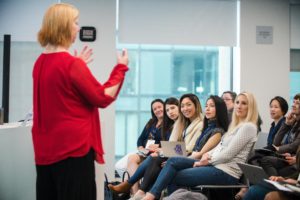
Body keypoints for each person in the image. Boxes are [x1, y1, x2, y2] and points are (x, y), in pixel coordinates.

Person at [32, 3, 129, 200]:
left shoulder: (40, 62)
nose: (77, 27)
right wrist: (121, 68)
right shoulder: (70, 64)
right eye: (75, 23)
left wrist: (78, 68)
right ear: (63, 26)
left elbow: (62, 92)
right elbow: (103, 97)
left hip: (46, 150)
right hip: (72, 150)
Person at [140, 91, 259, 200]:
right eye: (237, 102)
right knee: (169, 162)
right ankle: (149, 194)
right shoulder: (234, 127)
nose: (238, 106)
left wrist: (206, 160)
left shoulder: (247, 127)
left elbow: (227, 154)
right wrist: (207, 155)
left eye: (244, 103)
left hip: (225, 171)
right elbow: (219, 148)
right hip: (214, 165)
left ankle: (148, 195)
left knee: (170, 172)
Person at [109, 93, 203, 197]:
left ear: (196, 105)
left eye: (188, 105)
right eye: (183, 106)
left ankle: (136, 190)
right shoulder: (180, 123)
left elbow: (187, 149)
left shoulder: (196, 124)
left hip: (187, 157)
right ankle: (137, 191)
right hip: (174, 155)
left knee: (154, 158)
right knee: (146, 158)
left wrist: (161, 151)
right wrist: (148, 149)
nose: (184, 108)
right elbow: (174, 146)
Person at [235, 96, 289, 200]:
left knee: (253, 156)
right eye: (271, 106)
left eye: (276, 107)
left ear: (283, 110)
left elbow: (277, 145)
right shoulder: (273, 124)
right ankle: (246, 187)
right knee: (251, 157)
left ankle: (246, 188)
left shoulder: (284, 124)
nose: (272, 109)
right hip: (270, 152)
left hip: (277, 154)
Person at [115, 99, 164, 193]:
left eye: (159, 107)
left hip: (156, 153)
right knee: (129, 160)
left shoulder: (169, 124)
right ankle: (135, 192)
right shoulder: (151, 122)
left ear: (164, 108)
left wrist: (157, 148)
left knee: (131, 163)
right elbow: (140, 139)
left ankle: (134, 192)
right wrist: (141, 148)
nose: (157, 110)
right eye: (155, 109)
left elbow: (167, 143)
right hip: (144, 151)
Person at [260, 93, 300, 177]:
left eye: (297, 103)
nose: (293, 105)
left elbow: (294, 145)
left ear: (283, 110)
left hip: (294, 161)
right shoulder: (293, 122)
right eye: (294, 102)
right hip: (288, 157)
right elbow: (276, 141)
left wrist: (279, 148)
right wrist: (286, 124)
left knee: (264, 160)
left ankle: (274, 184)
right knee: (257, 157)